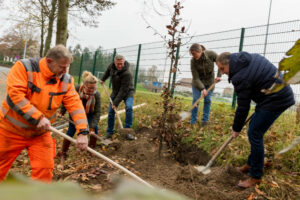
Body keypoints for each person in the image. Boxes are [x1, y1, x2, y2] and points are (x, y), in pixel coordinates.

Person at [0, 45, 89, 182]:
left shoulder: (66, 80)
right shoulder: (24, 68)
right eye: (62, 66)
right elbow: (15, 96)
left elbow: (75, 105)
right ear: (49, 61)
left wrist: (83, 132)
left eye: (67, 67)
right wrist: (38, 118)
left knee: (45, 171)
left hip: (40, 134)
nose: (65, 71)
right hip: (10, 130)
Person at [216, 51, 295, 188]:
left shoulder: (240, 76)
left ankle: (255, 176)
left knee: (255, 133)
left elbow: (243, 106)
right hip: (273, 95)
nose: (222, 73)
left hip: (277, 98)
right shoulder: (249, 57)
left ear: (229, 63)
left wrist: (236, 128)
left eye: (222, 69)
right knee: (254, 129)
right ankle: (250, 164)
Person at [57, 71, 101, 167]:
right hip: (76, 113)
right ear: (84, 85)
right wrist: (62, 111)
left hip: (89, 114)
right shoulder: (76, 89)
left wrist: (92, 127)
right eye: (90, 88)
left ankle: (91, 150)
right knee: (71, 131)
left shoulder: (96, 95)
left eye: (94, 88)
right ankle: (63, 153)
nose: (92, 90)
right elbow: (67, 100)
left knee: (95, 130)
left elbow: (97, 112)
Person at [100, 55, 135, 140]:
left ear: (124, 62)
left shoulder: (127, 74)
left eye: (121, 64)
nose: (119, 66)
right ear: (114, 62)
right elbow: (107, 72)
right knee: (111, 111)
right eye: (118, 64)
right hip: (115, 91)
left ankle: (127, 132)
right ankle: (109, 132)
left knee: (129, 107)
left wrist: (115, 103)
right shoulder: (111, 67)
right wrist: (103, 79)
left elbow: (123, 90)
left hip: (127, 91)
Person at [189, 43, 221, 126]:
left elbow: (220, 62)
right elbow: (195, 78)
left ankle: (205, 122)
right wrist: (202, 89)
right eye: (192, 54)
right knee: (196, 99)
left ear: (200, 51)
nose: (193, 56)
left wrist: (219, 75)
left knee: (207, 100)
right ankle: (193, 122)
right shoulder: (193, 61)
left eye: (194, 54)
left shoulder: (210, 54)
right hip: (197, 82)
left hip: (210, 82)